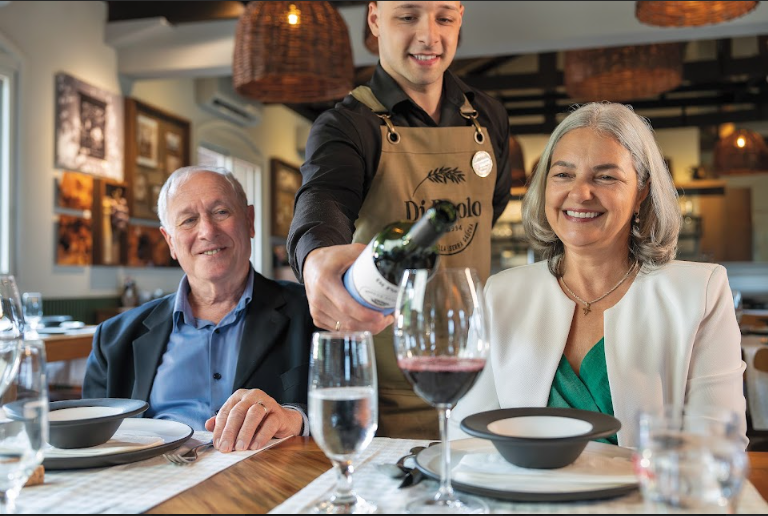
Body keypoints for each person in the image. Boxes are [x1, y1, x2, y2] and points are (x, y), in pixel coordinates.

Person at [451, 102, 748, 449]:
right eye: (563, 175)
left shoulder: (701, 292)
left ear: (641, 192)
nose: (580, 193)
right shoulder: (501, 294)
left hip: (648, 486)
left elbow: (717, 444)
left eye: (605, 177)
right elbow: (466, 437)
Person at [287, 1, 512, 439]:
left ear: (461, 15)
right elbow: (323, 201)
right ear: (375, 19)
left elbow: (491, 209)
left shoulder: (489, 117)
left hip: (479, 378)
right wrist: (314, 260)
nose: (429, 36)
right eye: (408, 17)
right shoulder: (346, 125)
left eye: (444, 18)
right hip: (385, 391)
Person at [83, 166, 317, 453]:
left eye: (221, 212)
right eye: (188, 220)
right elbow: (90, 438)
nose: (207, 231)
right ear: (170, 241)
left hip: (271, 474)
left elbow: (358, 410)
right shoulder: (113, 339)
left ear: (249, 221)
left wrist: (296, 419)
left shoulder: (314, 312)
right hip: (155, 476)